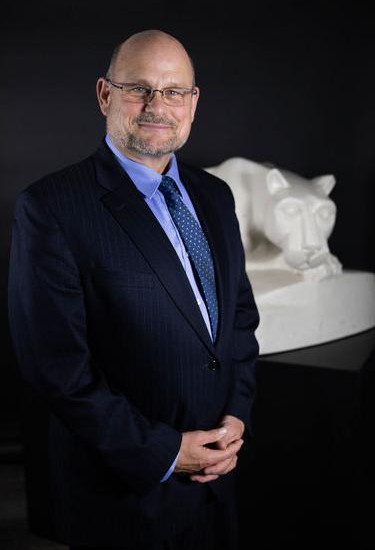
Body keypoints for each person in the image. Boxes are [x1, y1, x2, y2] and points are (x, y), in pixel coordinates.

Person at [8, 30, 259, 550]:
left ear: (193, 103)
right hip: (124, 497)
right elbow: (58, 371)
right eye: (138, 88)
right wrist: (166, 452)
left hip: (219, 479)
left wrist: (236, 417)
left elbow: (237, 320)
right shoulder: (52, 208)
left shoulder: (214, 196)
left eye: (173, 92)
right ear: (105, 95)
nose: (157, 106)